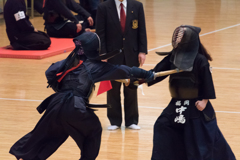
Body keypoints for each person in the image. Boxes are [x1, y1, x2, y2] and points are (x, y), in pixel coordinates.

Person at [9, 32, 154, 160]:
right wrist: (147, 74)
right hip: (74, 106)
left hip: (56, 104)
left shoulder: (69, 62)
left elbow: (50, 72)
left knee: (47, 136)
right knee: (94, 129)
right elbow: (125, 70)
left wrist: (59, 87)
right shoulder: (97, 66)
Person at [144, 25, 236, 160]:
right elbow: (157, 72)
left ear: (190, 40)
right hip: (176, 104)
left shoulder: (200, 60)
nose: (177, 40)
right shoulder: (173, 56)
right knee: (162, 125)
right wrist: (141, 79)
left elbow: (207, 82)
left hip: (196, 105)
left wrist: (205, 101)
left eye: (181, 37)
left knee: (198, 140)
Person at [96, 0, 147, 130]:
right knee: (113, 89)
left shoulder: (137, 6)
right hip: (112, 55)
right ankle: (114, 121)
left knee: (131, 88)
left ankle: (132, 121)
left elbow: (142, 30)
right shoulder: (104, 7)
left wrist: (142, 51)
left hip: (132, 54)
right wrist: (103, 54)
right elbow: (100, 33)